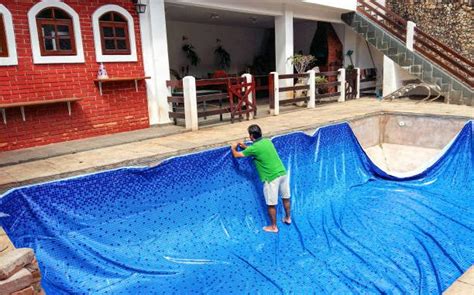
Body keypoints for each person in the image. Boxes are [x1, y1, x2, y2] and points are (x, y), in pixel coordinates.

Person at [231, 124, 291, 233]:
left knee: (271, 204)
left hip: (271, 178)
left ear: (251, 136)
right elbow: (256, 150)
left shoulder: (254, 148)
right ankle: (287, 218)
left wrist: (233, 147)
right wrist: (245, 146)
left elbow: (236, 155)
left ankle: (273, 227)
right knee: (285, 198)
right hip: (283, 173)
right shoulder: (268, 141)